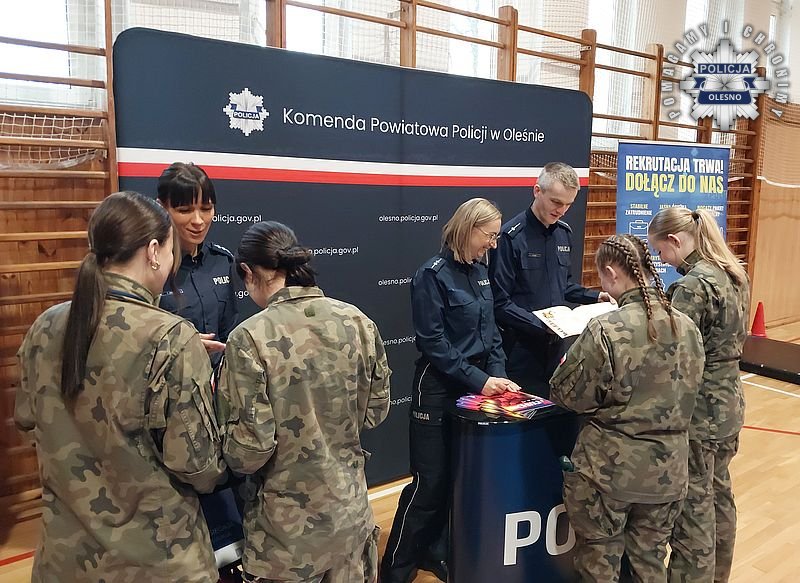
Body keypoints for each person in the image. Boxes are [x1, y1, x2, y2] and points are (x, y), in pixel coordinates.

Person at [15, 191, 226, 582]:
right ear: (153, 252)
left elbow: (29, 421)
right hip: (157, 563)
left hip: (65, 562)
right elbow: (200, 467)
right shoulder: (171, 338)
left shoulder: (46, 325)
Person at [216, 221, 391, 583]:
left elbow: (248, 452)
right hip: (350, 518)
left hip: (286, 538)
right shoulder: (358, 321)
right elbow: (375, 412)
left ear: (247, 272)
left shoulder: (248, 338)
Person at [549, 234, 705, 582]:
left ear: (610, 273)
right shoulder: (688, 327)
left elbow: (567, 395)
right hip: (668, 473)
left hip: (608, 473)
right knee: (649, 563)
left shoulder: (606, 329)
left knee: (598, 565)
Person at [381, 198, 519, 583]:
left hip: (477, 389)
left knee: (459, 480)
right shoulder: (432, 275)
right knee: (430, 484)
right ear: (469, 229)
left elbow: (492, 334)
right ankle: (396, 567)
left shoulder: (481, 272)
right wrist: (481, 381)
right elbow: (434, 344)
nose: (493, 244)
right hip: (438, 389)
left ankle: (435, 552)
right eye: (489, 236)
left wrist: (498, 376)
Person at [648, 208, 750, 583]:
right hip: (729, 402)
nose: (662, 260)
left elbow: (671, 352)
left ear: (675, 240)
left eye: (661, 251)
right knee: (720, 494)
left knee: (693, 506)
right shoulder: (733, 273)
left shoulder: (692, 287)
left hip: (700, 410)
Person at [490, 162, 612, 396]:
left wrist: (595, 296)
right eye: (556, 202)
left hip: (556, 349)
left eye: (568, 204)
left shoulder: (563, 233)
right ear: (537, 191)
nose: (562, 210)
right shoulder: (510, 237)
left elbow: (563, 285)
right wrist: (540, 325)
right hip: (519, 351)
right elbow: (499, 302)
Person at [157, 162, 238, 366]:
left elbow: (229, 332)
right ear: (161, 207)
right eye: (185, 210)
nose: (198, 221)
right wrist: (180, 344)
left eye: (206, 209)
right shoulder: (150, 267)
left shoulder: (222, 261)